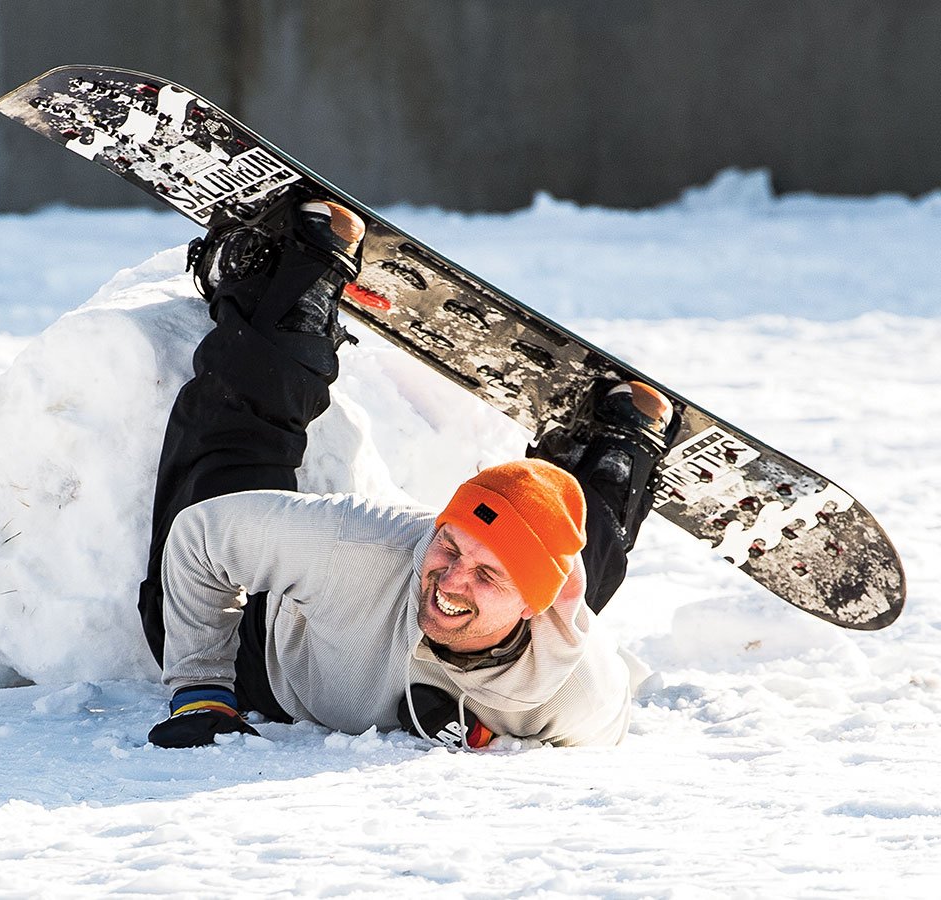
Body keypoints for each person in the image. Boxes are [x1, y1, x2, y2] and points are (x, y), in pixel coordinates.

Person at [136, 191, 676, 749]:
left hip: (534, 633)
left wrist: (488, 726)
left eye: (486, 575)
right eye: (450, 547)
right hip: (271, 665)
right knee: (225, 459)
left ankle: (607, 464)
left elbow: (600, 742)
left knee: (556, 558)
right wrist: (200, 690)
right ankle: (288, 297)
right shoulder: (361, 545)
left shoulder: (574, 693)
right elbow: (201, 536)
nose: (451, 578)